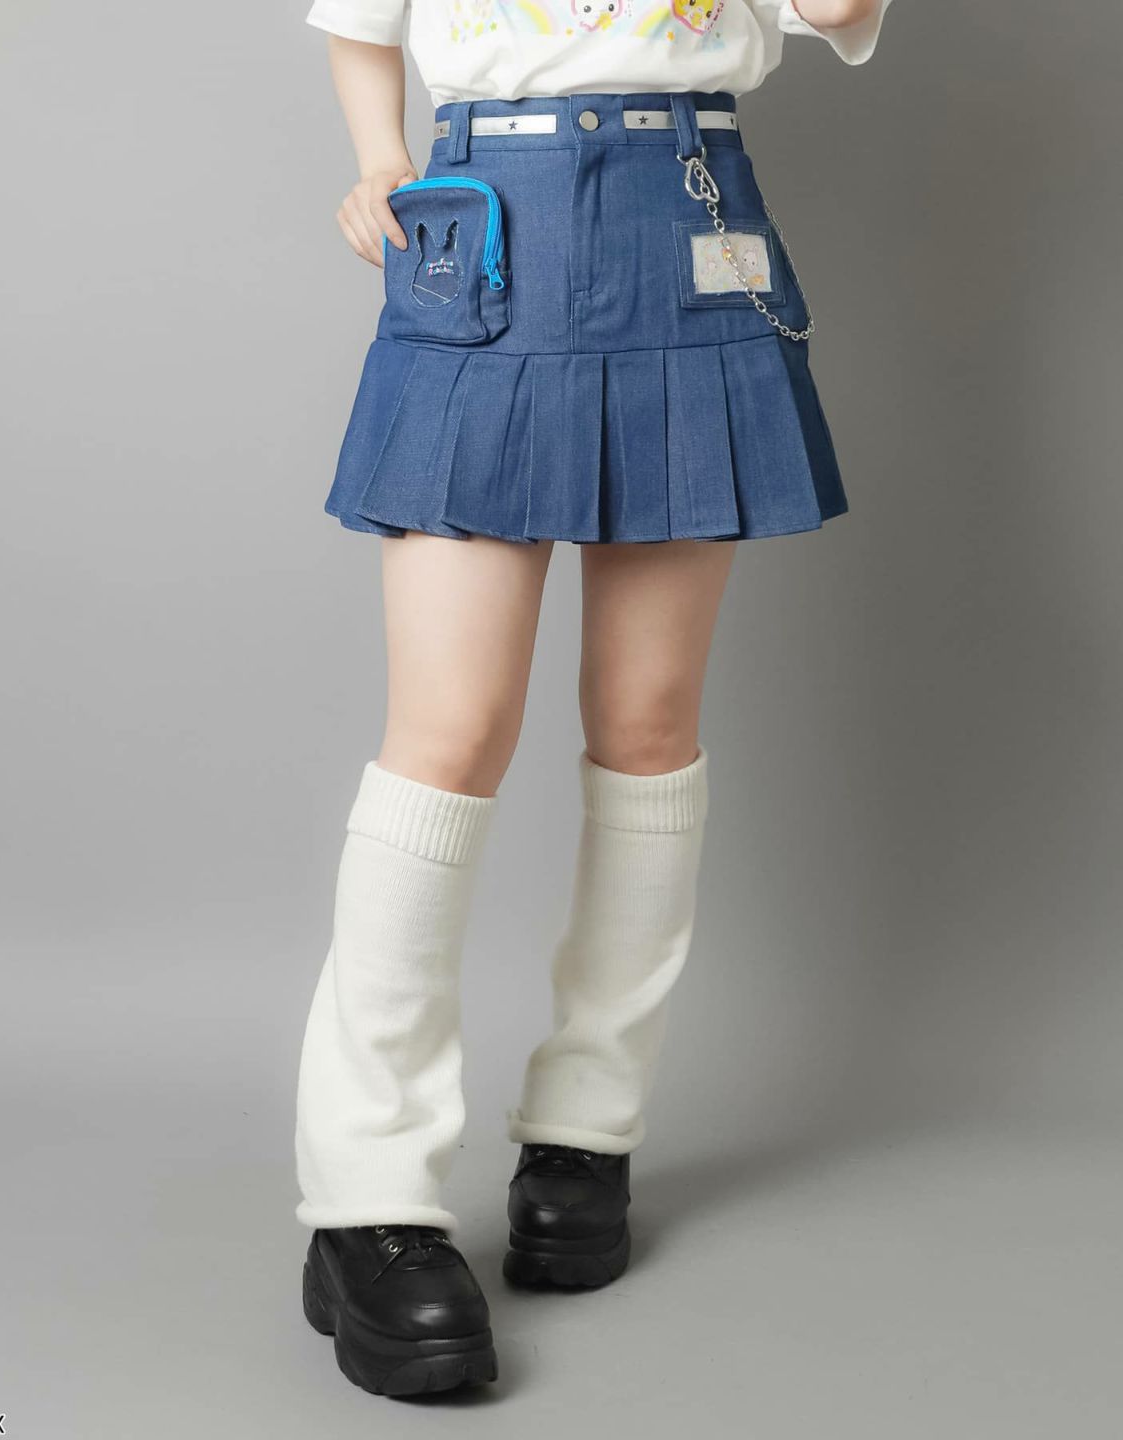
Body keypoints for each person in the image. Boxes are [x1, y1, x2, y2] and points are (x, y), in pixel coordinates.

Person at [294, 0, 892, 1398]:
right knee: (450, 733)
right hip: (485, 218)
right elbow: (356, 16)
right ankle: (365, 1198)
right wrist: (378, 154)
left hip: (688, 212)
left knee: (646, 720)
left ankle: (587, 1131)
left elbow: (838, 9)